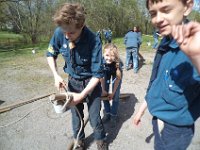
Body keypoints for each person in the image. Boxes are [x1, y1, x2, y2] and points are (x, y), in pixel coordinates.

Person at [137, 0, 200, 149]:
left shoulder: (194, 45)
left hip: (176, 130)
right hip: (159, 118)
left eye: (166, 10)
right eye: (153, 13)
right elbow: (157, 79)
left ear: (187, 7)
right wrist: (144, 105)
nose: (158, 19)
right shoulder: (166, 40)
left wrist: (196, 57)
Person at [46, 3, 108, 150]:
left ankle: (100, 140)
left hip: (91, 84)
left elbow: (98, 73)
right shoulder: (60, 32)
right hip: (72, 82)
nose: (66, 36)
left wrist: (82, 94)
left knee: (94, 118)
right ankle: (79, 141)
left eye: (71, 33)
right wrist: (56, 76)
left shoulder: (94, 40)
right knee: (76, 116)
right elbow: (50, 54)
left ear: (82, 26)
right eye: (64, 32)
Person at [100, 44, 123, 127]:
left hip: (116, 73)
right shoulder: (101, 62)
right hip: (105, 73)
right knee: (103, 94)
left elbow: (118, 79)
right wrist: (103, 90)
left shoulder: (118, 63)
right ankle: (108, 112)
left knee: (116, 96)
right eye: (107, 55)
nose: (109, 58)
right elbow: (101, 77)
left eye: (112, 56)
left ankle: (113, 115)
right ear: (103, 54)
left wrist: (113, 93)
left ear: (115, 56)